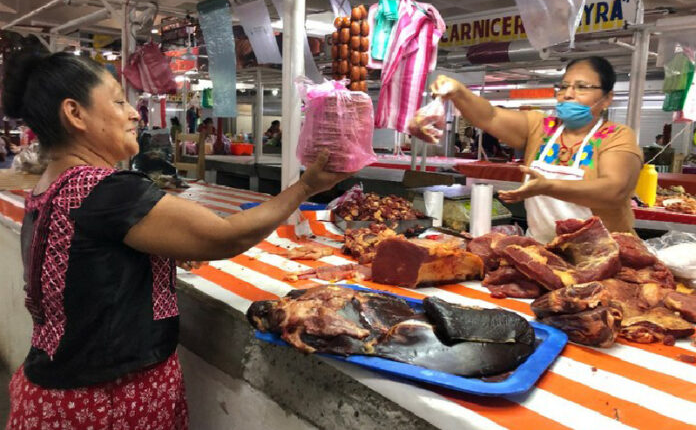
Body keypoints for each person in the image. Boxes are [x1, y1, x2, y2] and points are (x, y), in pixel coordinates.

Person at [1, 51, 350, 429]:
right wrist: (306, 186)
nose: (134, 113)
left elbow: (89, 264)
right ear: (75, 113)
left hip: (53, 397)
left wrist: (159, 254)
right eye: (119, 101)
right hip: (107, 404)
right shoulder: (104, 189)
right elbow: (225, 236)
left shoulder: (50, 185)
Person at [432, 56, 642, 243]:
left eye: (581, 87)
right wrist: (459, 92)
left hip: (601, 256)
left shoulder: (617, 136)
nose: (568, 94)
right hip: (543, 251)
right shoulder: (541, 128)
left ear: (607, 98)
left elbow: (614, 191)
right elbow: (490, 116)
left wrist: (546, 187)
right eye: (563, 86)